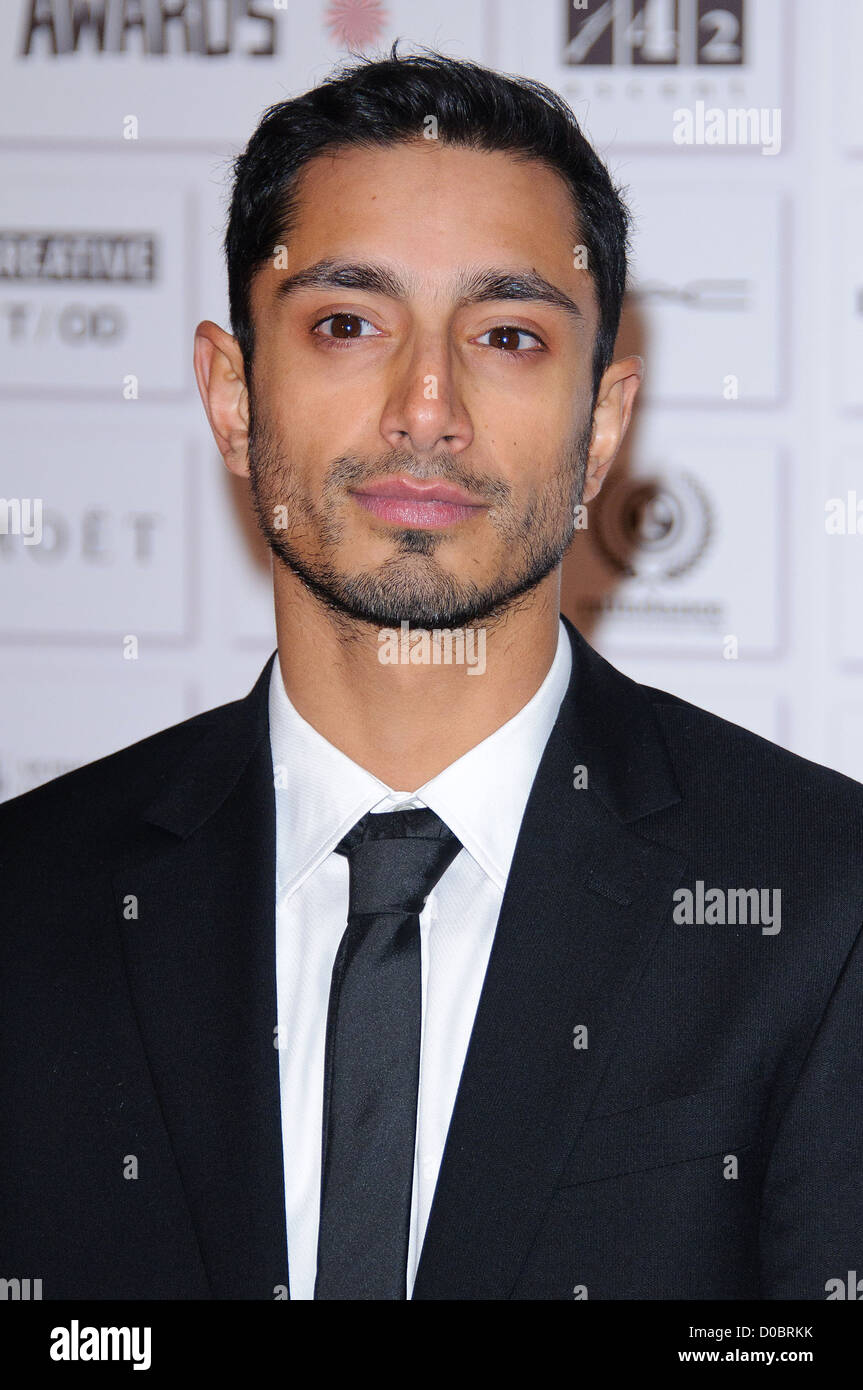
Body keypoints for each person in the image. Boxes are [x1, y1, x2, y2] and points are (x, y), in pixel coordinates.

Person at [2, 45, 862, 1302]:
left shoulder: (821, 905)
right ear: (233, 398)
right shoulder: (31, 907)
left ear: (601, 424)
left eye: (505, 335)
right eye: (349, 323)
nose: (424, 406)